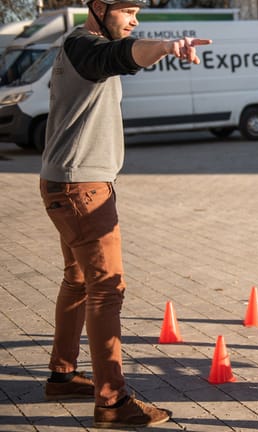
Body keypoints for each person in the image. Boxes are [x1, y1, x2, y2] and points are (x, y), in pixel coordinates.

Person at [39, 0, 211, 428]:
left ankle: (62, 375)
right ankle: (112, 403)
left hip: (66, 182)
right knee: (106, 291)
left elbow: (125, 51)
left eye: (138, 12)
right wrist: (170, 47)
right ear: (99, 9)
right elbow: (125, 54)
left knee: (77, 281)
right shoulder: (85, 47)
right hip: (84, 189)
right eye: (127, 11)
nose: (135, 20)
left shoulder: (73, 47)